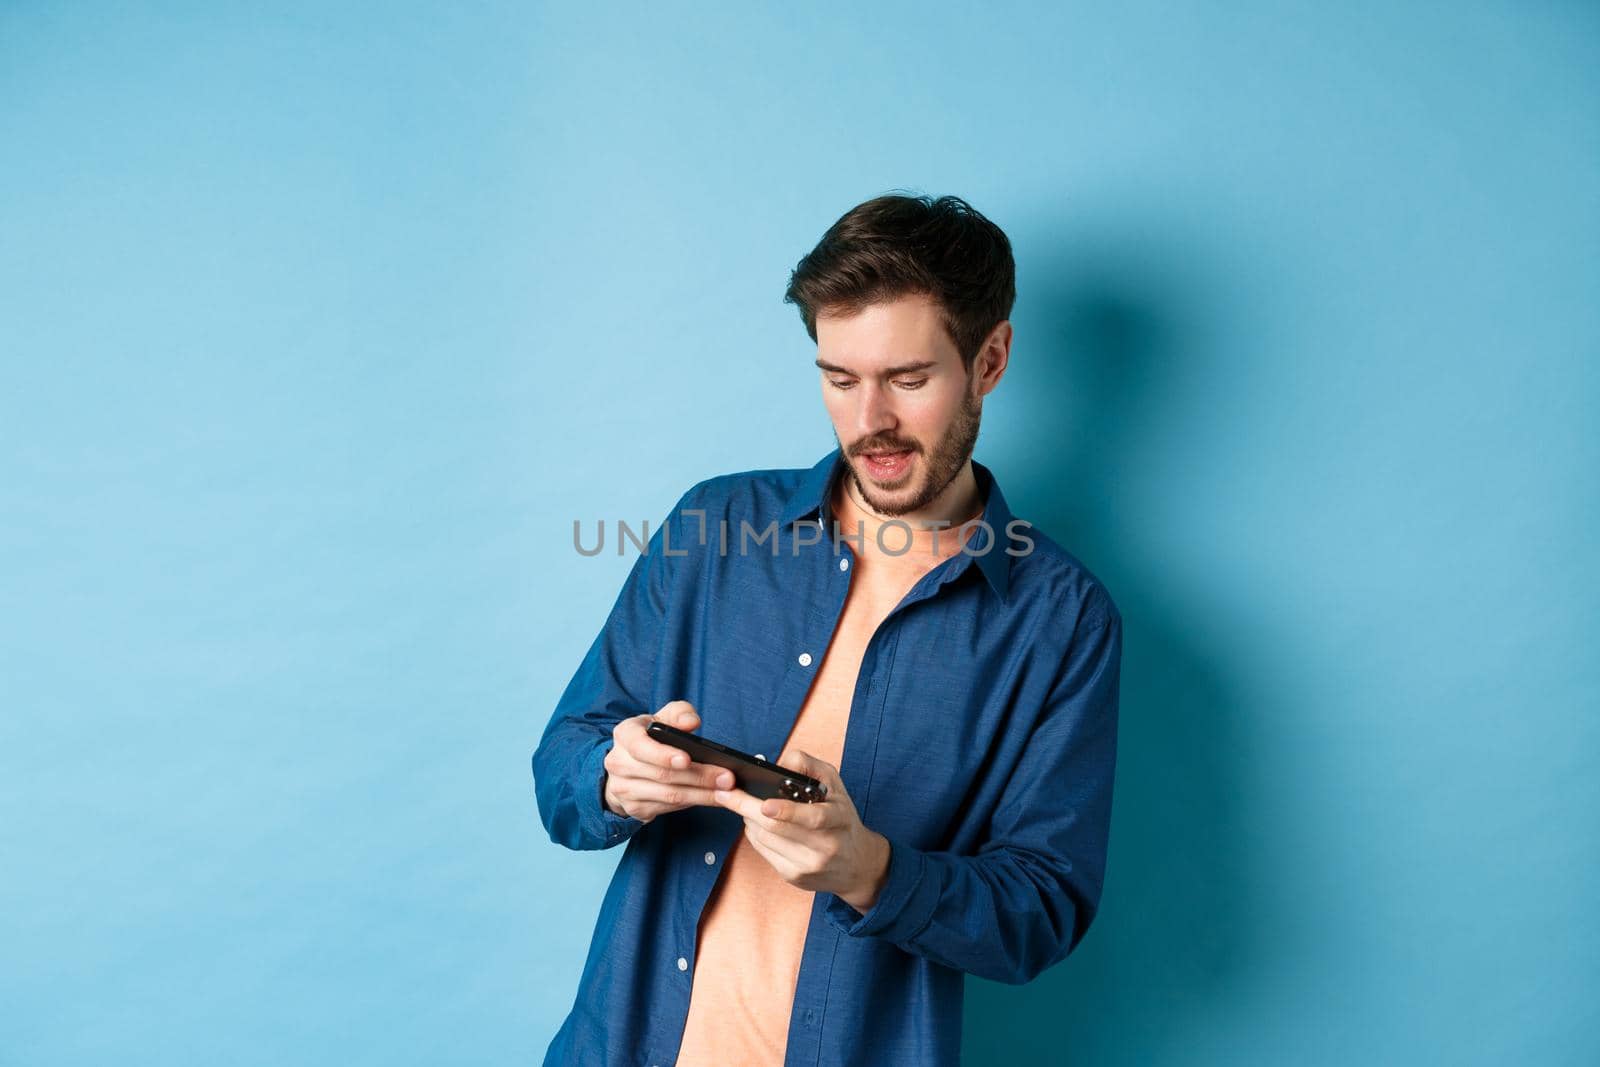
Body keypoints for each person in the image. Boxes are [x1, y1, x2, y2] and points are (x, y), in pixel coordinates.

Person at [533, 193, 1123, 1066]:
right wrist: (616, 775)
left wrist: (870, 869)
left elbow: (1041, 912)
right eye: (838, 378)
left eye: (909, 379)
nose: (868, 421)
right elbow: (563, 769)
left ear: (990, 358)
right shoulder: (715, 526)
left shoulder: (1063, 621)